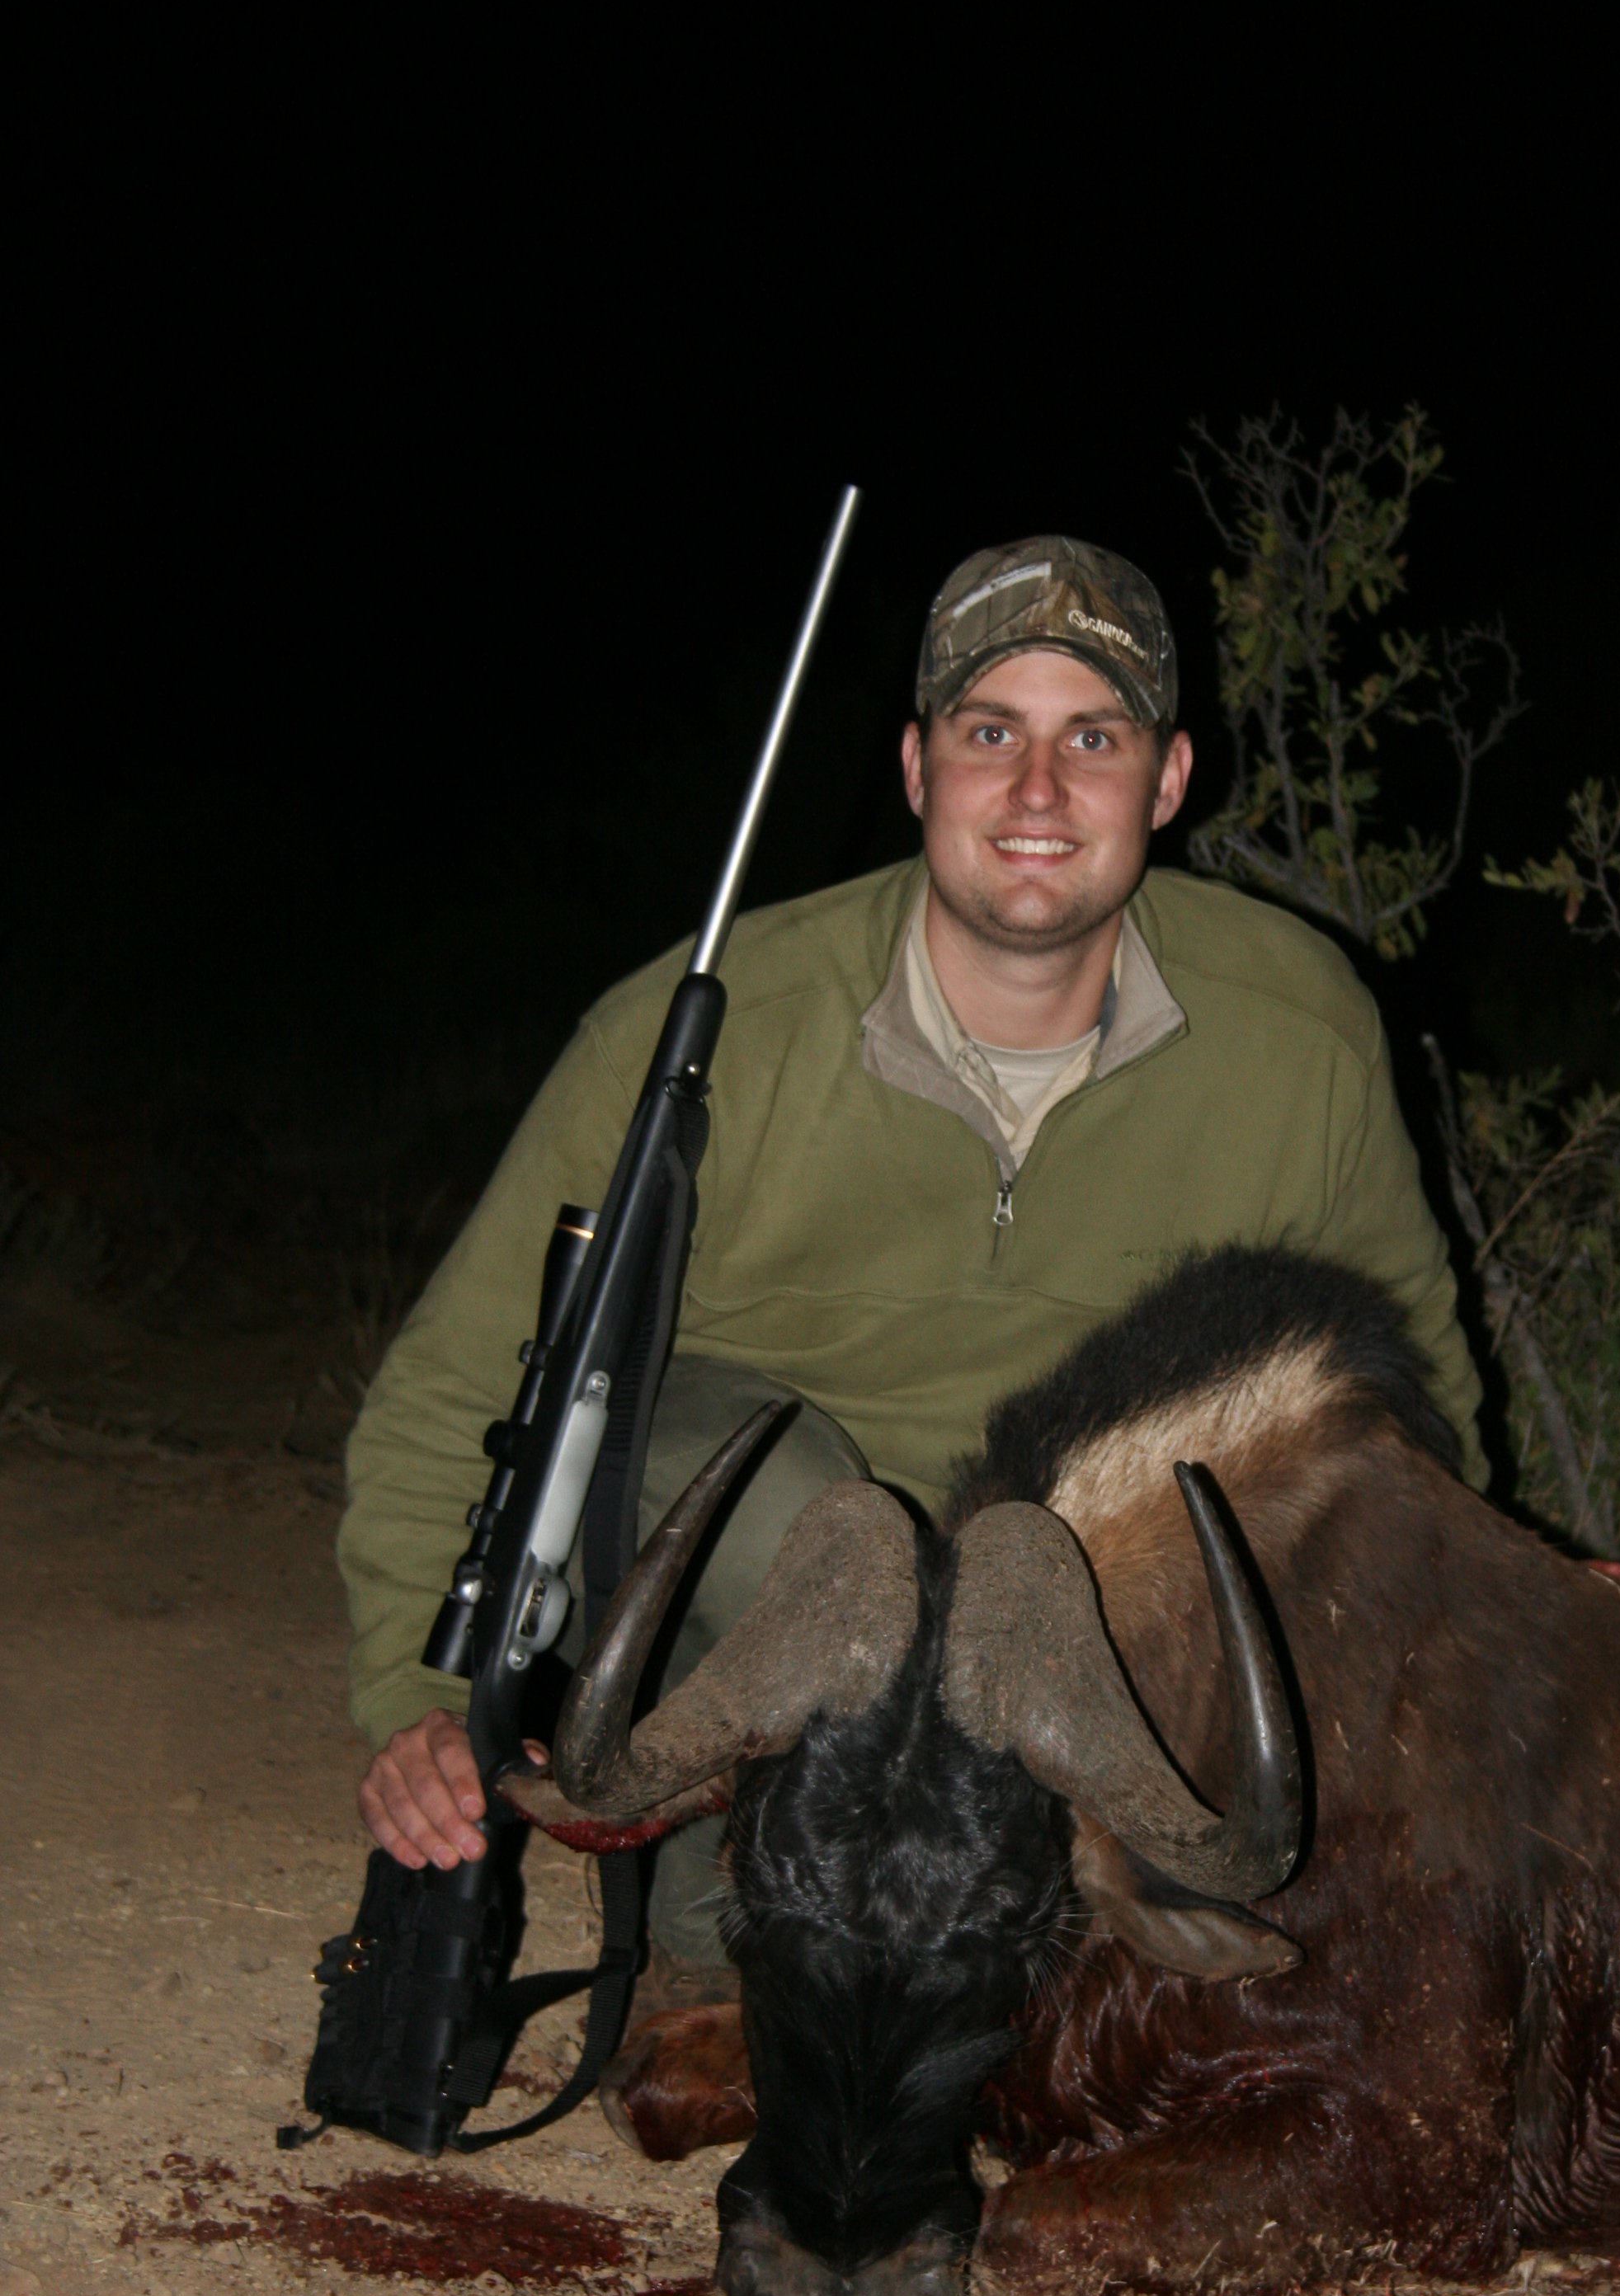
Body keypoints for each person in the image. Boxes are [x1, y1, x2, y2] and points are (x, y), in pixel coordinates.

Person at [341, 534, 1486, 2000]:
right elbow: (455, 1389)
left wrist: (1524, 1584)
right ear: (914, 765)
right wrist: (425, 1702)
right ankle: (737, 1944)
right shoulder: (698, 1027)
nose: (1038, 793)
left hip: (1092, 1626)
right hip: (783, 1620)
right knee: (821, 1527)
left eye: (1096, 739)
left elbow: (1418, 1403)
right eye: (990, 733)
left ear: (1172, 779)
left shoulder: (1301, 1031)